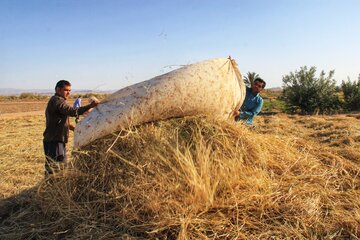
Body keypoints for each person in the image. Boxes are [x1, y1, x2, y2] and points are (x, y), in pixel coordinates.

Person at [43, 80, 99, 175]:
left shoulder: (57, 101)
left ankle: (51, 186)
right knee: (56, 168)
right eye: (66, 90)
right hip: (54, 140)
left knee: (56, 167)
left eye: (69, 90)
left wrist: (76, 129)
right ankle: (51, 187)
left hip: (55, 139)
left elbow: (62, 122)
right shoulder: (57, 100)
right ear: (58, 89)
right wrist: (90, 106)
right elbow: (72, 111)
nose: (68, 92)